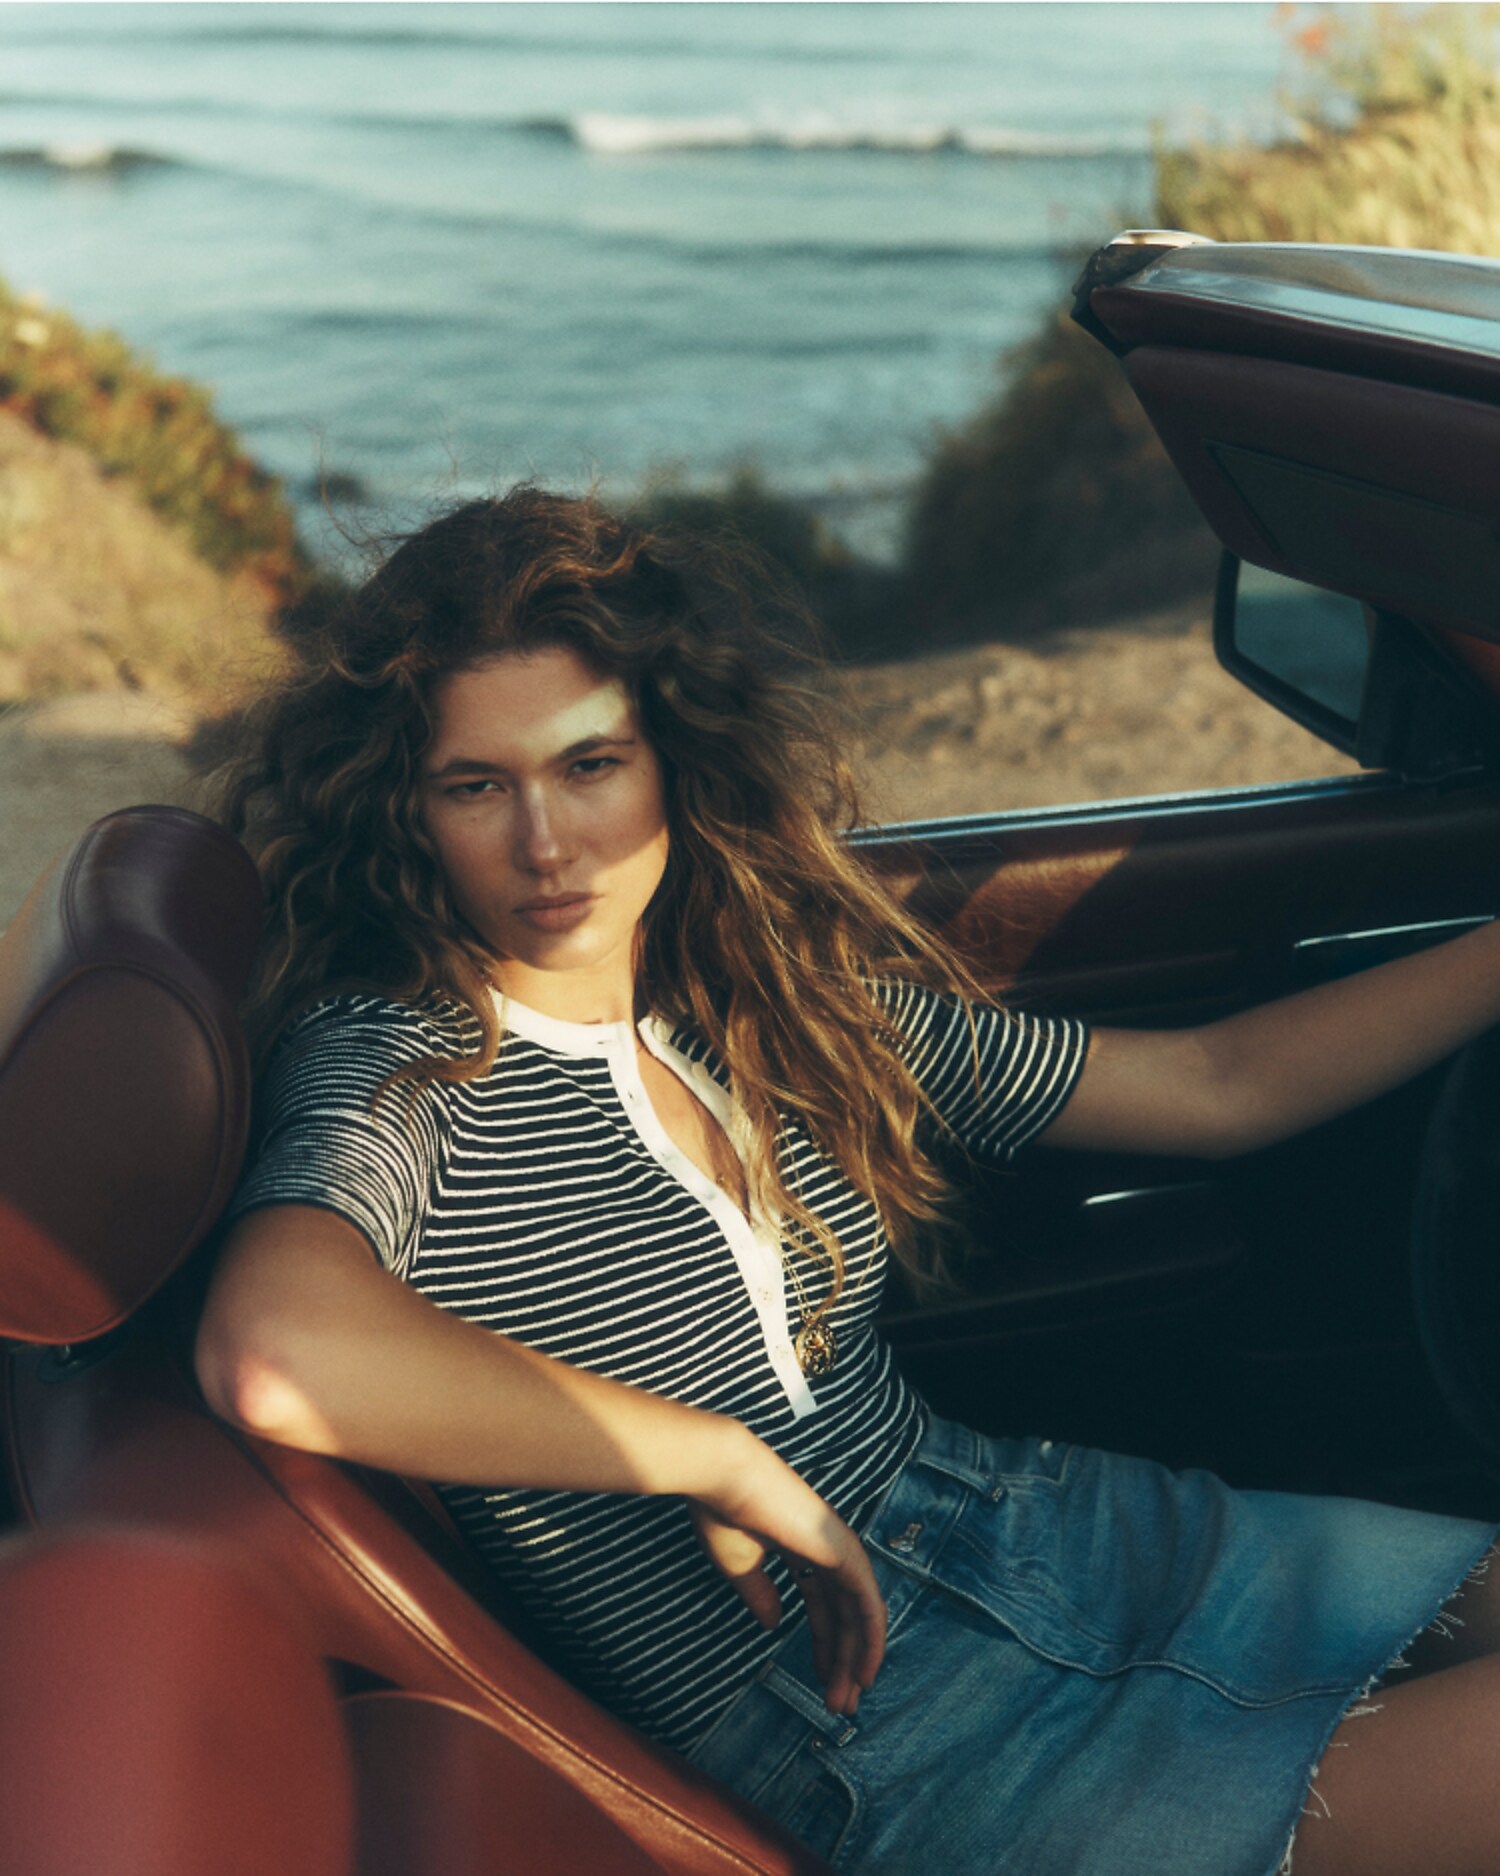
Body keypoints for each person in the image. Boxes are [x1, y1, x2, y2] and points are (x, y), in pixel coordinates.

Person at [197, 487, 1500, 1876]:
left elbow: (1219, 1086)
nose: (546, 844)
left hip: (1038, 1527)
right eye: (476, 786)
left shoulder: (755, 998)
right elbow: (273, 1349)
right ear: (405, 810)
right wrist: (709, 1454)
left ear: (672, 762)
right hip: (862, 1728)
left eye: (591, 765)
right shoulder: (399, 1059)